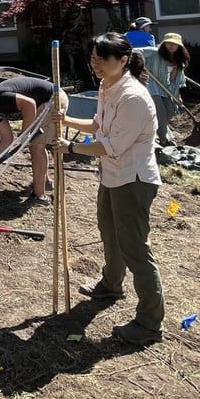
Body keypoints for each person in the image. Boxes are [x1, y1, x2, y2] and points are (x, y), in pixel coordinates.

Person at [55, 32, 165, 346]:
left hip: (134, 180)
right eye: (93, 59)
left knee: (135, 248)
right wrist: (67, 120)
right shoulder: (108, 87)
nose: (97, 65)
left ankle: (149, 323)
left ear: (124, 60)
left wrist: (71, 148)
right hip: (112, 176)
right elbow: (97, 126)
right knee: (109, 231)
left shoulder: (133, 97)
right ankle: (111, 284)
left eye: (103, 59)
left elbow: (110, 146)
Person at [0, 75, 68, 204]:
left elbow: (29, 104)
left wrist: (25, 133)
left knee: (36, 146)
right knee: (35, 145)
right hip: (41, 103)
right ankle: (45, 183)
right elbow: (6, 137)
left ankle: (40, 196)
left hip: (52, 98)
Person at [137, 33, 190, 147]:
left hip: (164, 88)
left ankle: (153, 130)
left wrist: (177, 96)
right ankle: (163, 139)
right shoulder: (153, 52)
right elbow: (133, 52)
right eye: (169, 43)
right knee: (161, 112)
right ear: (164, 43)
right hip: (150, 84)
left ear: (179, 47)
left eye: (175, 44)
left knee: (170, 111)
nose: (171, 45)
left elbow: (176, 82)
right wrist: (140, 66)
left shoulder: (179, 62)